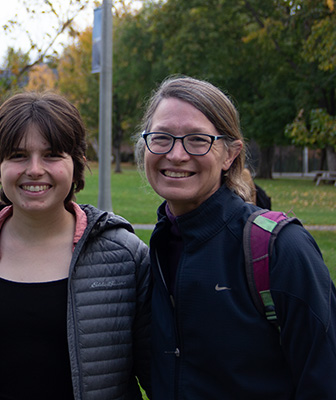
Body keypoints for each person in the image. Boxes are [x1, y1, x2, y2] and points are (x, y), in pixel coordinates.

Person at [0, 92, 151, 399]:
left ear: (77, 164)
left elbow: (160, 373)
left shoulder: (123, 255)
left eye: (52, 154)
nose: (35, 169)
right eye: (18, 155)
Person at [137, 75, 336, 398]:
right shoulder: (156, 250)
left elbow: (324, 380)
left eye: (198, 140)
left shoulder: (282, 249)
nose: (175, 154)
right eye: (161, 138)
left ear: (230, 155)